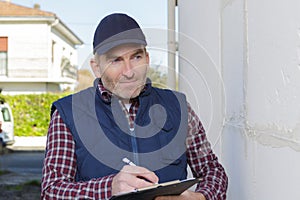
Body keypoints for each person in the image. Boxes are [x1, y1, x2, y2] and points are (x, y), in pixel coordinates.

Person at [41, 13, 228, 199]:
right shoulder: (68, 114)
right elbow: (51, 191)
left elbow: (213, 170)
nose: (129, 72)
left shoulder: (179, 107)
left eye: (136, 57)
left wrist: (199, 197)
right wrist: (110, 187)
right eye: (116, 60)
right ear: (96, 67)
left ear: (147, 58)